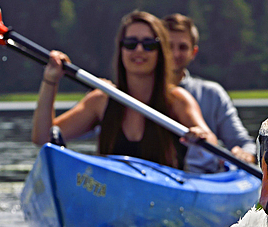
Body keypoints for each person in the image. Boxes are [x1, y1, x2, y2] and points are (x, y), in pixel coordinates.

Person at [32, 10, 217, 169]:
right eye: (130, 43)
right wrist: (50, 80)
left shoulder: (176, 100)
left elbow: (209, 140)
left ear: (160, 53)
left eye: (148, 44)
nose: (138, 50)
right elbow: (42, 137)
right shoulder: (101, 100)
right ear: (121, 50)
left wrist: (201, 136)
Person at [164, 13, 257, 173]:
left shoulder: (212, 93)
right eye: (168, 46)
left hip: (203, 180)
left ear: (194, 52)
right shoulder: (138, 93)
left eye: (183, 47)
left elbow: (244, 143)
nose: (175, 53)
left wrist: (245, 154)